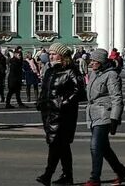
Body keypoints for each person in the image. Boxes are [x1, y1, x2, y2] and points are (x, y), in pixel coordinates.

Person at [37, 44, 87, 185]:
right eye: (50, 53)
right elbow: (45, 89)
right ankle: (67, 176)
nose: (50, 56)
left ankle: (48, 175)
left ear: (62, 55)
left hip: (63, 115)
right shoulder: (50, 71)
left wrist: (63, 103)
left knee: (55, 145)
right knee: (62, 146)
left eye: (54, 54)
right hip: (48, 114)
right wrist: (41, 101)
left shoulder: (71, 71)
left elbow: (79, 91)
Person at [86, 52, 125, 186]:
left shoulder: (111, 75)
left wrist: (115, 119)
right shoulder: (94, 73)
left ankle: (95, 178)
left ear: (101, 62)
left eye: (94, 61)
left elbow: (116, 98)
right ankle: (120, 170)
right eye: (91, 60)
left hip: (105, 114)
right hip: (93, 114)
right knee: (103, 147)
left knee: (95, 146)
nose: (91, 63)